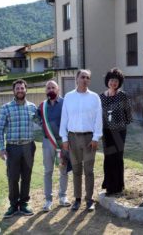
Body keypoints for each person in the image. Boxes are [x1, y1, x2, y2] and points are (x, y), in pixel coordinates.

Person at [59, 69, 102, 211]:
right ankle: (77, 199)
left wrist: (96, 137)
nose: (85, 80)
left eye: (88, 78)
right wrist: (64, 138)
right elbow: (64, 118)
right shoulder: (69, 97)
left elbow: (98, 119)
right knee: (76, 170)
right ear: (76, 79)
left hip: (90, 138)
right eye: (82, 77)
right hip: (72, 138)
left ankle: (89, 200)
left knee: (89, 170)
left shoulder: (95, 97)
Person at [0, 79, 37, 218]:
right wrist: (1, 148)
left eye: (22, 88)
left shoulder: (32, 107)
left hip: (28, 147)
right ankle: (13, 205)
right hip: (12, 148)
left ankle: (24, 204)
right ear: (14, 91)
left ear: (26, 90)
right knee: (13, 177)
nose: (20, 90)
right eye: (17, 88)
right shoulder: (6, 108)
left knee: (26, 176)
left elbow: (40, 125)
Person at [38, 80, 71, 212]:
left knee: (63, 169)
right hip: (47, 143)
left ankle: (63, 197)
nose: (51, 89)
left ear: (58, 89)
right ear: (46, 91)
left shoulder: (65, 103)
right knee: (48, 171)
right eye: (48, 88)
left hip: (62, 143)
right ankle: (48, 200)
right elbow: (37, 120)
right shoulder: (42, 106)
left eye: (53, 87)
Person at [100, 68, 132, 195]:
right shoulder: (101, 97)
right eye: (112, 80)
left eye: (116, 81)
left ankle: (118, 185)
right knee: (108, 157)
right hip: (106, 131)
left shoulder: (122, 96)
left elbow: (128, 115)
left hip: (119, 131)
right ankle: (109, 184)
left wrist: (121, 123)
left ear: (119, 83)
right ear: (108, 81)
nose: (114, 83)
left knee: (118, 157)